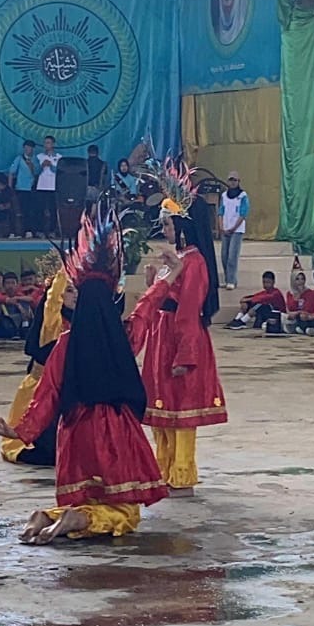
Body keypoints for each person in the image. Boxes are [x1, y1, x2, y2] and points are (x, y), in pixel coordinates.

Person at [0, 208, 168, 544]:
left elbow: (47, 395)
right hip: (114, 431)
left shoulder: (66, 344)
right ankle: (74, 519)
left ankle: (48, 516)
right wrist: (164, 278)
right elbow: (145, 311)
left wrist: (18, 430)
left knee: (85, 495)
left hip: (75, 431)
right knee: (126, 512)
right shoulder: (123, 336)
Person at [129, 177, 228, 498]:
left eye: (170, 224)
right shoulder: (179, 259)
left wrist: (185, 356)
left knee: (181, 412)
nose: (166, 229)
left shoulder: (195, 262)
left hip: (179, 338)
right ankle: (162, 469)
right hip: (162, 336)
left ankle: (182, 473)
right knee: (162, 410)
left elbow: (188, 310)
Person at [0, 273, 72, 467]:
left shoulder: (85, 320)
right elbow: (53, 301)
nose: (75, 296)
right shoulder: (52, 323)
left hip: (72, 392)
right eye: (69, 291)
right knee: (50, 452)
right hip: (42, 393)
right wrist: (65, 269)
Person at [218, 171, 249, 291]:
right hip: (225, 229)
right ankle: (227, 279)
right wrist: (221, 226)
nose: (232, 182)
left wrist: (234, 228)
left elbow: (243, 213)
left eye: (235, 180)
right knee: (224, 256)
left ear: (238, 182)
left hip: (236, 230)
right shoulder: (224, 196)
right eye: (230, 180)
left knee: (232, 256)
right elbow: (221, 211)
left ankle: (232, 280)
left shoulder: (243, 196)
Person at [8, 139, 40, 238]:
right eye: (26, 148)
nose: (27, 150)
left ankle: (29, 230)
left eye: (29, 148)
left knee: (30, 211)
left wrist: (31, 166)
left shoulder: (35, 159)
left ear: (33, 149)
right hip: (21, 188)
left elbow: (37, 173)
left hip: (31, 189)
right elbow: (11, 172)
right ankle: (18, 232)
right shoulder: (19, 158)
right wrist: (10, 188)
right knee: (20, 210)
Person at [35, 135, 61, 238]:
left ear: (53, 144)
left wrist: (51, 165)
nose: (46, 145)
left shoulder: (59, 157)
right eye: (45, 143)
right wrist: (42, 166)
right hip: (41, 186)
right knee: (40, 209)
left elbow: (59, 172)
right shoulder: (39, 156)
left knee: (53, 209)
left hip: (53, 187)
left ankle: (52, 231)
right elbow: (35, 172)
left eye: (49, 143)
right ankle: (40, 230)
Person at [85, 145, 109, 209]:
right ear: (98, 153)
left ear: (88, 152)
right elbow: (105, 180)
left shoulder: (84, 164)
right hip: (98, 190)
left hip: (85, 190)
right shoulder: (104, 164)